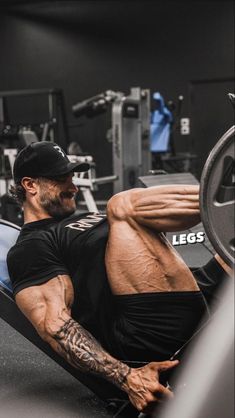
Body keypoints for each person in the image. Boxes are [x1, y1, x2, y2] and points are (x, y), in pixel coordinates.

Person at [7, 141, 232, 414]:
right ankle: (222, 200)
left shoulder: (82, 218)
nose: (74, 187)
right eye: (61, 180)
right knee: (121, 204)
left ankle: (223, 202)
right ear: (30, 185)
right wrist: (127, 378)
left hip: (184, 298)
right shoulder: (30, 247)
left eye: (72, 178)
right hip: (146, 338)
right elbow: (55, 324)